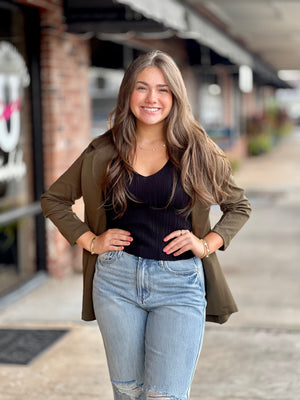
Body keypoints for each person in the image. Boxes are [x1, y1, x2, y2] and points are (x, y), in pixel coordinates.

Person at [41, 50, 251, 400]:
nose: (152, 98)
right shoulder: (103, 150)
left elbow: (238, 206)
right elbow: (53, 200)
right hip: (115, 281)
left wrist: (206, 244)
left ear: (176, 96)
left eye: (163, 89)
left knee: (164, 395)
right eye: (142, 88)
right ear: (128, 94)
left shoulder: (198, 150)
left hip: (180, 284)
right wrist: (91, 241)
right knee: (128, 393)